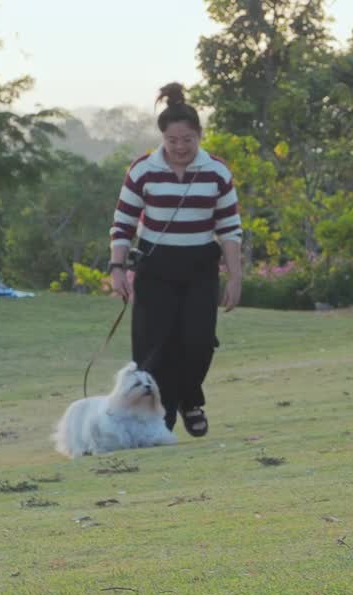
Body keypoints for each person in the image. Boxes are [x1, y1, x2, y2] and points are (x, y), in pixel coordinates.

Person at [107, 82, 242, 437]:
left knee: (198, 342)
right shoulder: (142, 171)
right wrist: (117, 269)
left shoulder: (217, 172)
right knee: (154, 346)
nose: (180, 148)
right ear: (162, 139)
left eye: (188, 140)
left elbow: (230, 230)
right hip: (155, 266)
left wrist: (236, 278)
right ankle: (159, 417)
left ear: (199, 135)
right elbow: (122, 224)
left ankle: (188, 400)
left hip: (200, 267)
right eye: (172, 141)